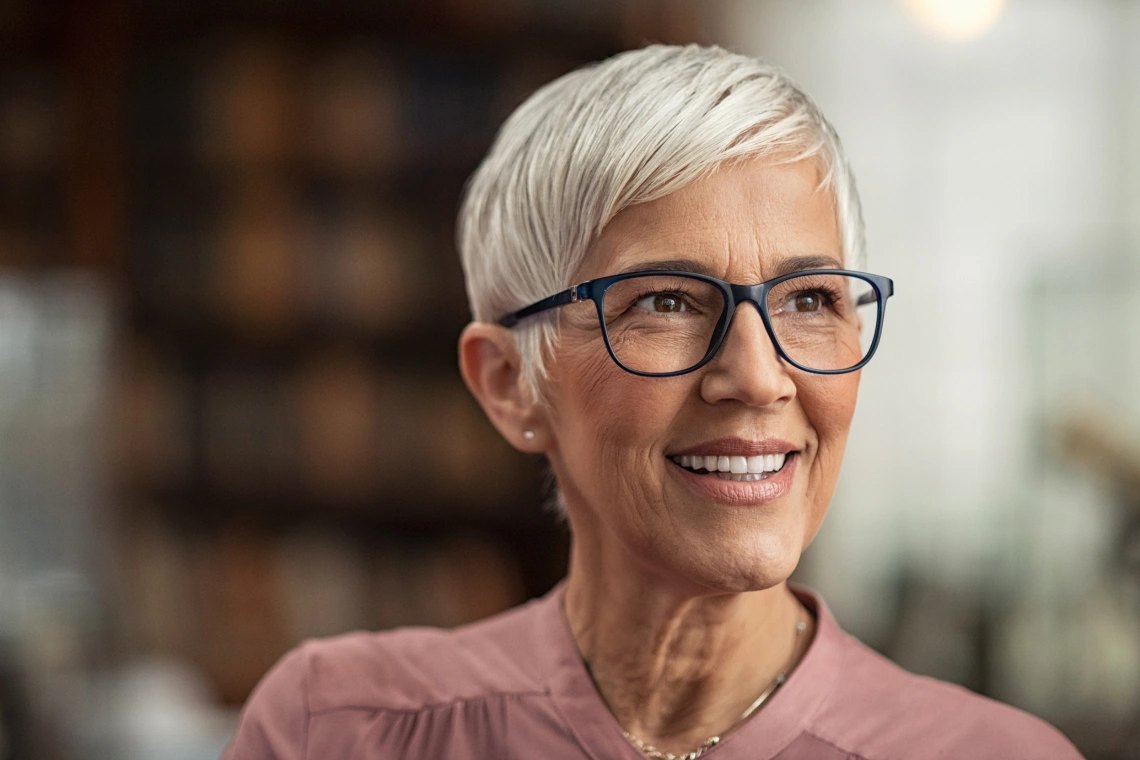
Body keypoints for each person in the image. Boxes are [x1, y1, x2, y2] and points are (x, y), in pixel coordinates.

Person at [221, 44, 1084, 760]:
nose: (756, 376)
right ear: (510, 383)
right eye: (666, 301)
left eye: (810, 300)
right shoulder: (331, 731)